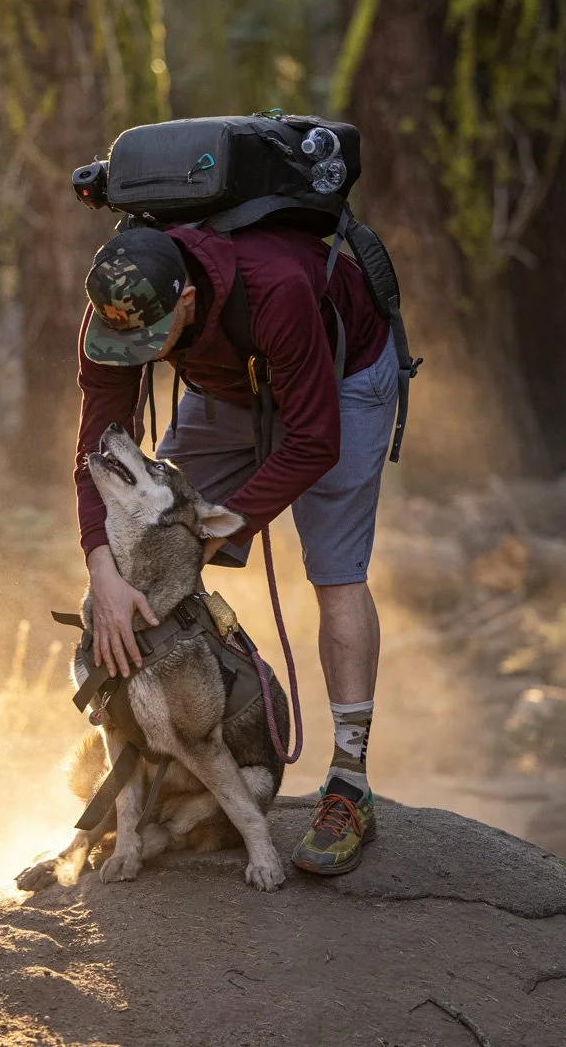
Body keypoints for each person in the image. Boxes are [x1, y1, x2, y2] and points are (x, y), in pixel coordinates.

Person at [75, 221, 396, 875]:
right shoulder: (115, 307)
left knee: (336, 572)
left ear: (187, 299)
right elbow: (97, 454)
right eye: (120, 340)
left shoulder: (274, 286)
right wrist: (103, 569)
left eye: (146, 339)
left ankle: (349, 783)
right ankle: (147, 746)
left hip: (340, 375)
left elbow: (314, 440)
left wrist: (221, 524)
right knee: (142, 548)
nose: (131, 352)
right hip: (227, 383)